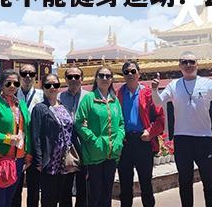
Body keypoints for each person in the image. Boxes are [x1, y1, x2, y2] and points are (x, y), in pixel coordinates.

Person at [151, 52, 212, 207]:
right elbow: (158, 102)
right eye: (184, 62)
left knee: (209, 182)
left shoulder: (207, 83)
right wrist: (155, 90)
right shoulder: (174, 85)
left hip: (203, 138)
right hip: (182, 139)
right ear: (179, 66)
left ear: (197, 64)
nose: (188, 65)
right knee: (185, 182)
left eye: (191, 62)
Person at [75, 66, 125, 207]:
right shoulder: (89, 99)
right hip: (94, 155)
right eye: (101, 75)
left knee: (107, 194)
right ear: (96, 79)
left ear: (111, 79)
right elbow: (79, 123)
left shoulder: (114, 100)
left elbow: (121, 124)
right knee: (94, 195)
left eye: (108, 76)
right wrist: (94, 140)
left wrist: (119, 141)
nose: (104, 78)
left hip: (111, 154)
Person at [0, 69, 32, 207]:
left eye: (16, 83)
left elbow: (26, 130)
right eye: (8, 83)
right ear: (1, 84)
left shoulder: (21, 104)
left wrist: (28, 153)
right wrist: (6, 138)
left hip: (18, 158)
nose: (12, 86)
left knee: (10, 198)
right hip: (0, 156)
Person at [117, 61, 165, 207]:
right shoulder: (118, 94)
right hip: (125, 142)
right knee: (125, 185)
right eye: (126, 72)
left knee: (146, 184)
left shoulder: (148, 93)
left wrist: (150, 132)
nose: (130, 74)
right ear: (123, 75)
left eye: (133, 71)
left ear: (139, 74)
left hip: (143, 141)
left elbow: (160, 118)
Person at [32, 74, 79, 207]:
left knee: (66, 196)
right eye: (48, 85)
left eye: (55, 85)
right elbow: (36, 136)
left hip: (66, 160)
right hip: (50, 160)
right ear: (43, 87)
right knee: (49, 197)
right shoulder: (40, 108)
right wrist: (39, 160)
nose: (52, 88)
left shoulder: (63, 106)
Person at [12, 63, 43, 207]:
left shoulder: (41, 95)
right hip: (16, 145)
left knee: (34, 187)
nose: (28, 76)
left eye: (31, 74)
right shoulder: (12, 94)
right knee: (15, 186)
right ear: (20, 76)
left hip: (35, 146)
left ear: (36, 76)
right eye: (24, 73)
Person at [58, 66, 88, 207]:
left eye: (77, 76)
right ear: (65, 79)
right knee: (65, 187)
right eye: (70, 77)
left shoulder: (89, 97)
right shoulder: (59, 97)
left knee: (84, 186)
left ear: (82, 79)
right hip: (65, 147)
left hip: (85, 146)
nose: (73, 79)